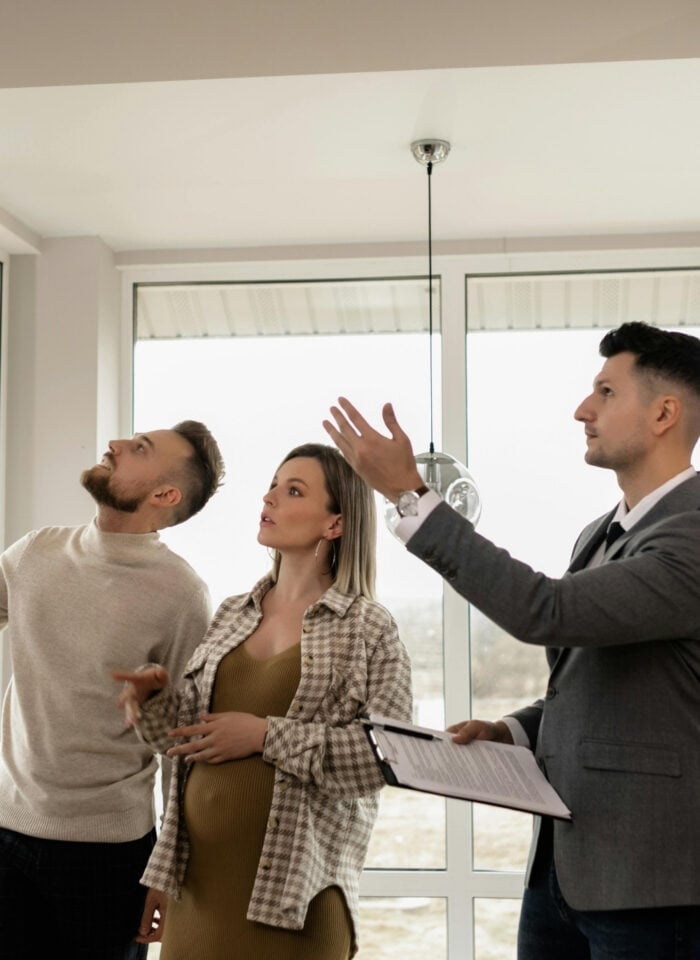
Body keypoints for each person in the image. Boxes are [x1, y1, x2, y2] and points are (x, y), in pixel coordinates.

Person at [323, 321, 700, 960]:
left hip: (653, 886)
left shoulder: (692, 534)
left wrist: (410, 495)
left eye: (605, 392)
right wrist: (515, 731)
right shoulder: (596, 533)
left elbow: (544, 612)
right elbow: (606, 680)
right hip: (563, 872)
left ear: (664, 412)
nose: (583, 410)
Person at [114, 442, 412, 960]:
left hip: (294, 909)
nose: (269, 497)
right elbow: (183, 741)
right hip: (196, 899)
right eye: (273, 485)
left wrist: (263, 735)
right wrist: (154, 701)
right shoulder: (232, 613)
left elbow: (391, 757)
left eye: (292, 490)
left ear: (335, 524)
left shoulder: (369, 628)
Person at [0, 420, 225, 960]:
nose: (115, 445)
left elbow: (183, 750)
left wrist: (168, 875)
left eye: (139, 449)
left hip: (110, 855)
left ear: (163, 495)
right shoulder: (34, 553)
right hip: (7, 833)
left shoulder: (182, 594)